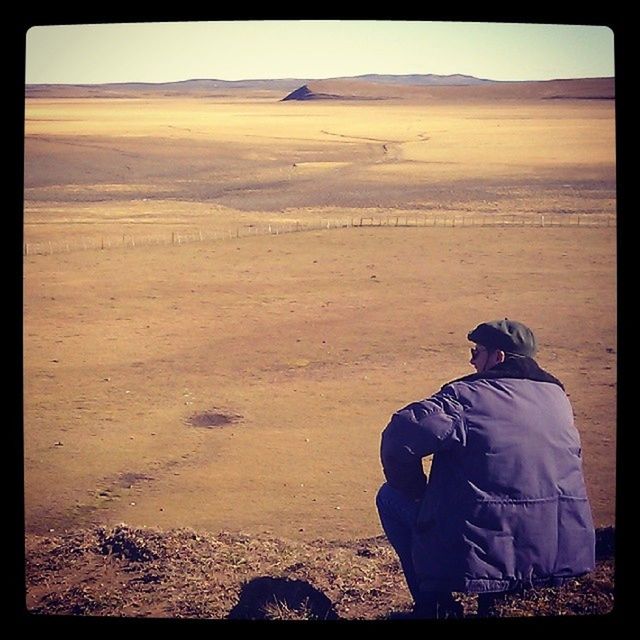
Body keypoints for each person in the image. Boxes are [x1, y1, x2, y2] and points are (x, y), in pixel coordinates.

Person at [376, 319, 595, 618]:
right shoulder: (557, 396)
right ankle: (502, 595)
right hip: (560, 551)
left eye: (477, 352)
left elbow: (398, 438)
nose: (472, 360)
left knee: (390, 498)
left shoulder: (466, 397)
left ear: (498, 357)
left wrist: (417, 493)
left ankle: (435, 607)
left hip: (487, 545)